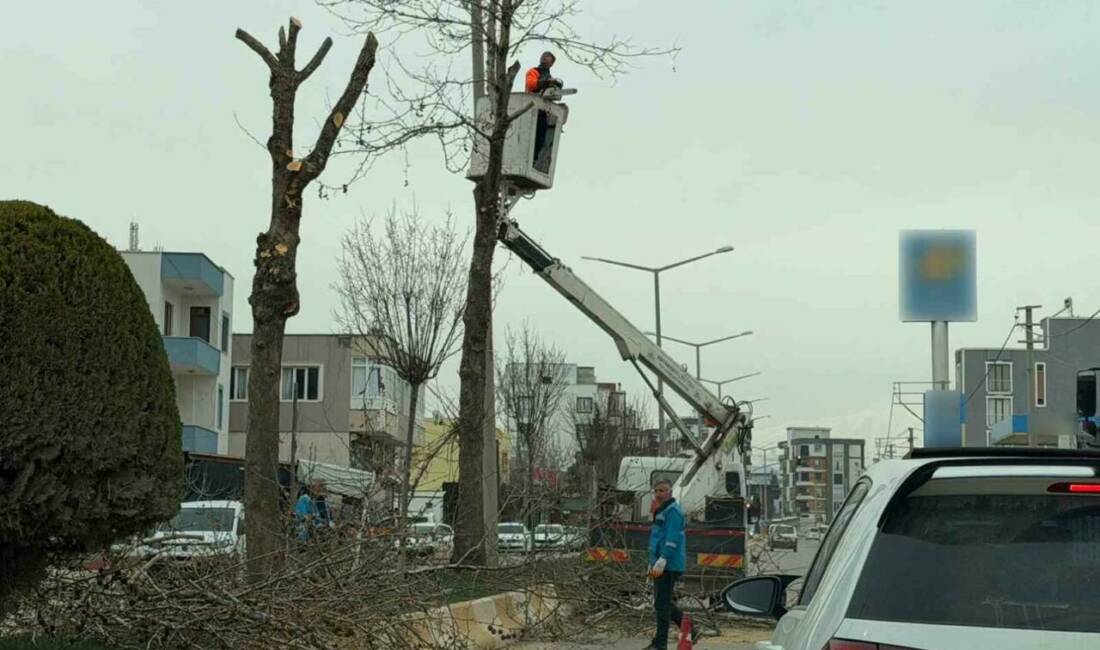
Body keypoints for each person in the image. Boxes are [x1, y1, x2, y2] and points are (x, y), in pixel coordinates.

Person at [645, 479, 692, 650]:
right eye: (656, 491)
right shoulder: (662, 510)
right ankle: (690, 629)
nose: (658, 494)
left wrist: (663, 558)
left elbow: (672, 538)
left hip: (668, 564)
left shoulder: (673, 511)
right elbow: (658, 537)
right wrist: (653, 561)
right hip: (660, 563)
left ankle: (660, 643)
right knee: (662, 602)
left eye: (662, 490)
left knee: (662, 604)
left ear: (670, 492)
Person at [525, 51, 563, 171]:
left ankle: (533, 161)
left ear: (552, 63)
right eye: (544, 56)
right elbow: (531, 85)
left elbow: (553, 93)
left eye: (548, 57)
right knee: (531, 138)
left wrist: (555, 85)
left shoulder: (549, 77)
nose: (544, 58)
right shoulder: (533, 71)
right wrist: (547, 82)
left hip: (542, 111)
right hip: (531, 109)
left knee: (540, 140)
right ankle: (528, 160)